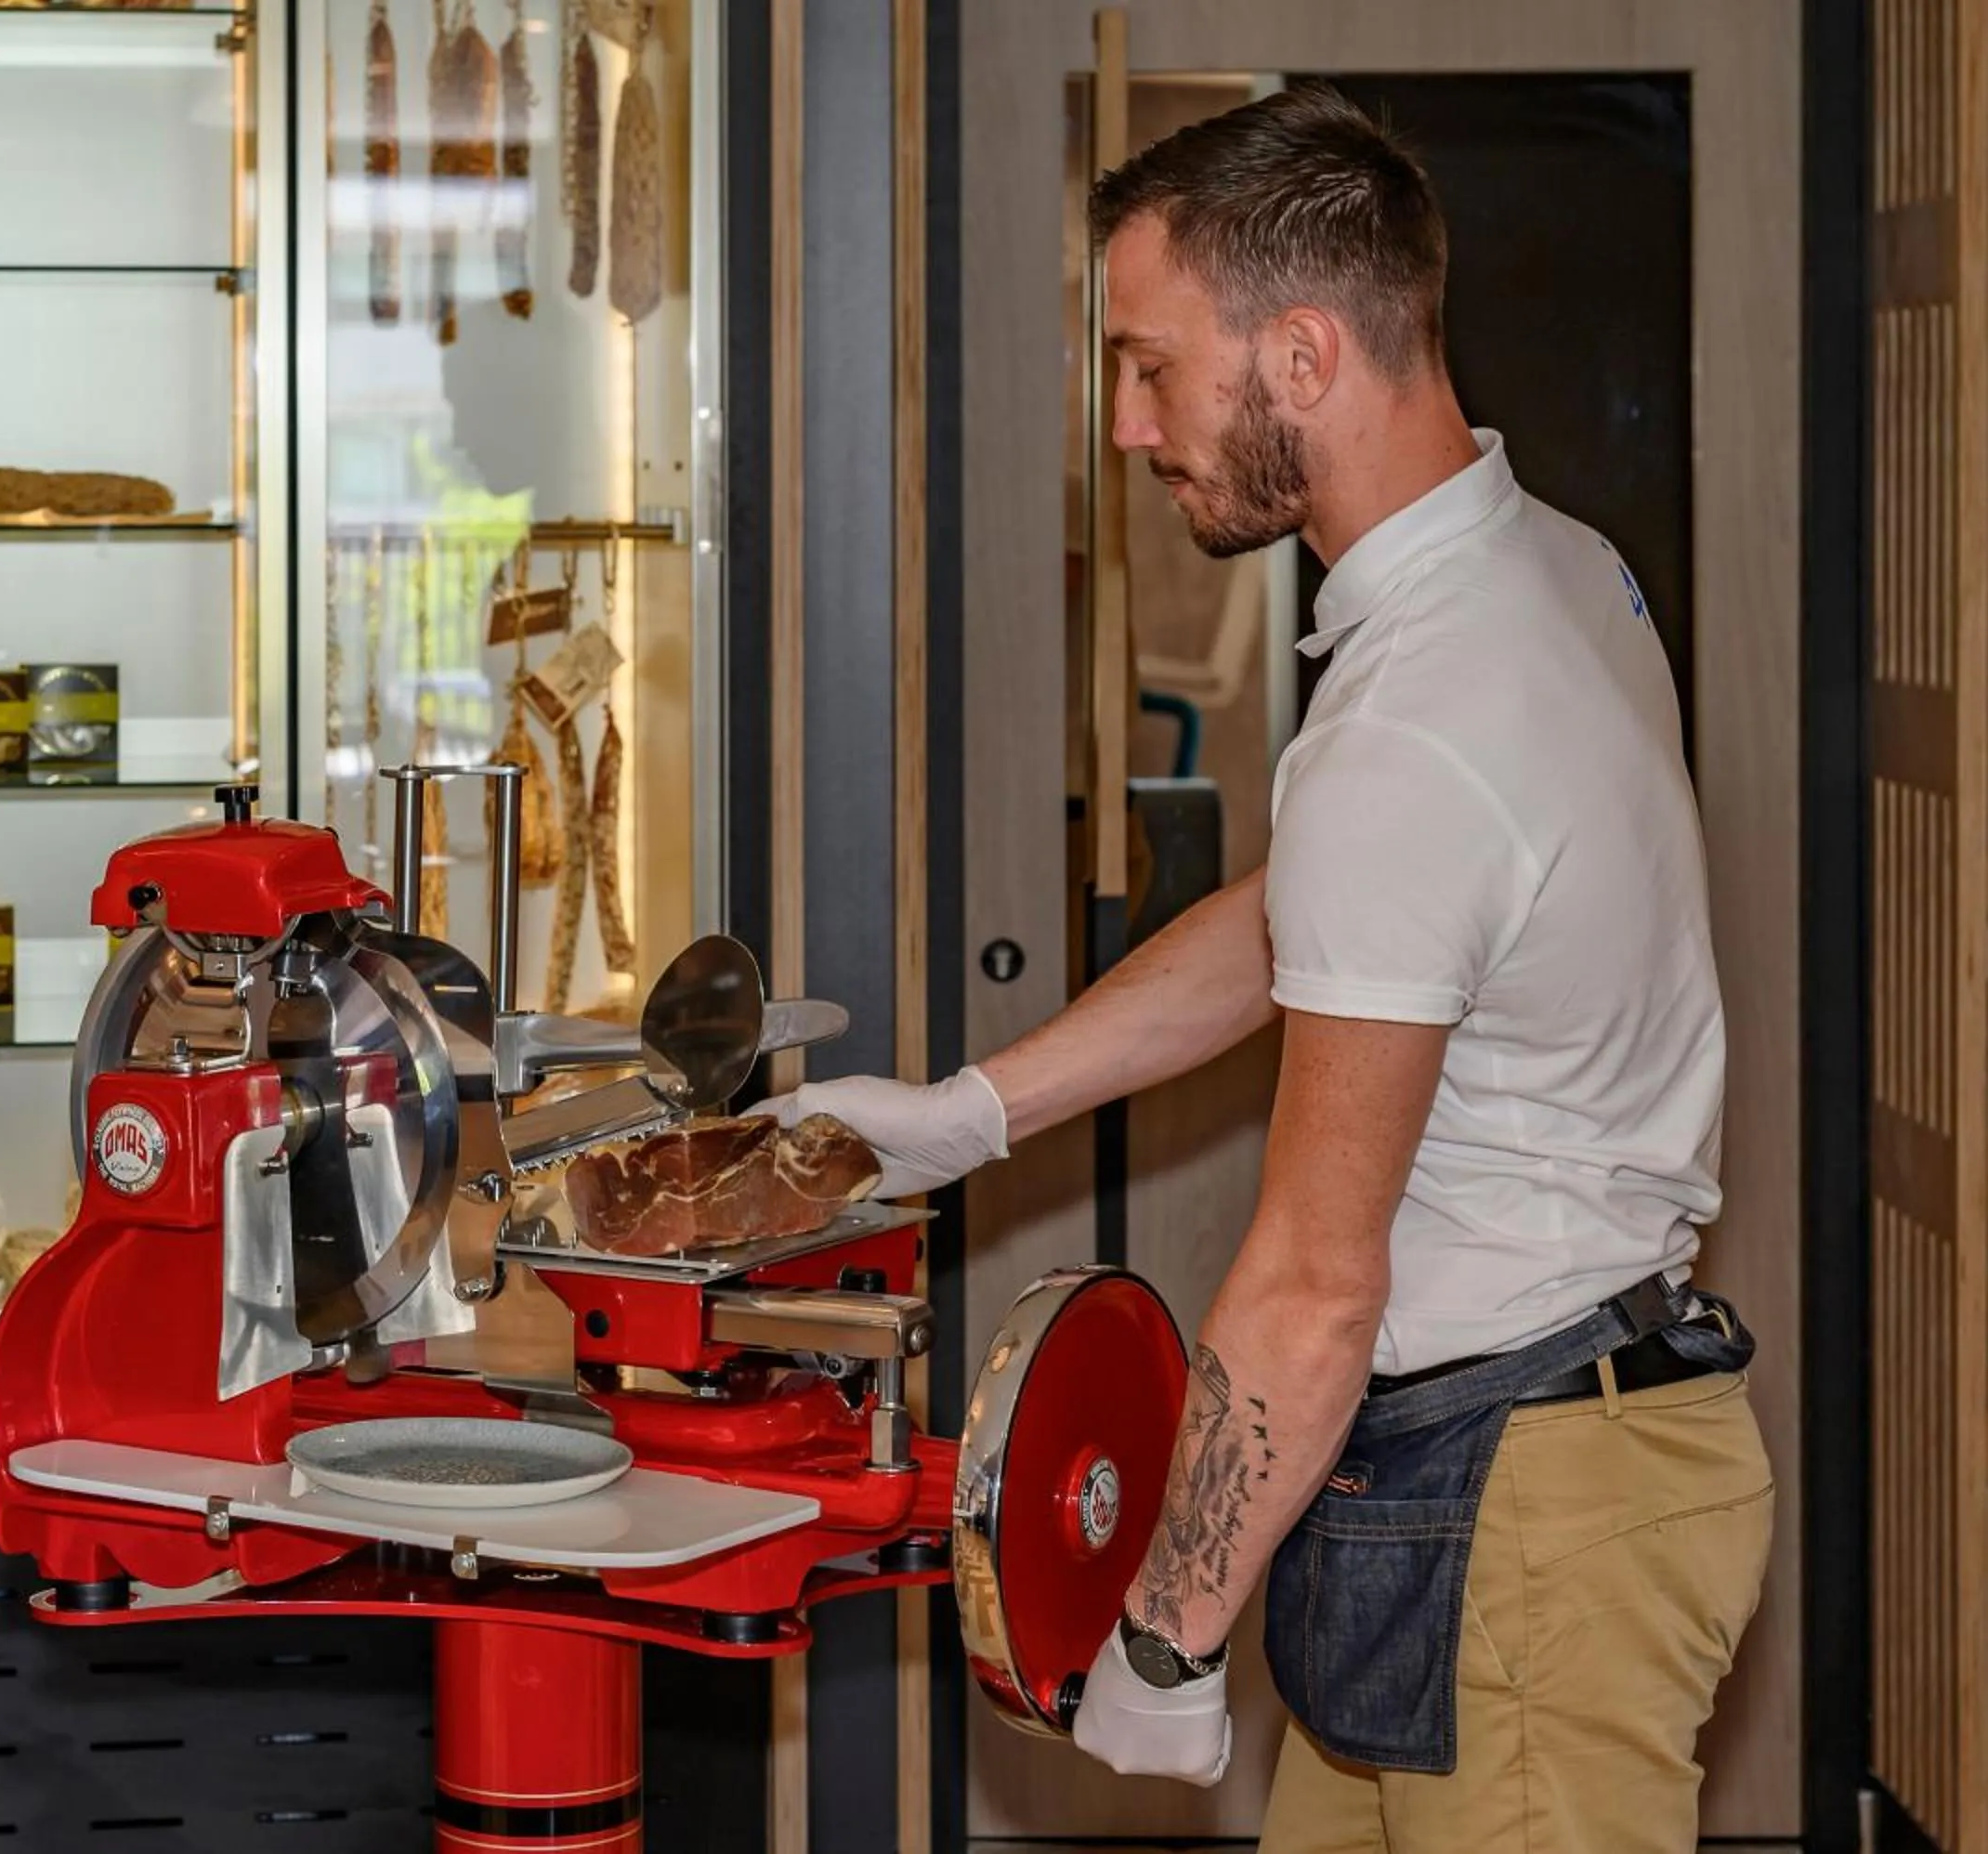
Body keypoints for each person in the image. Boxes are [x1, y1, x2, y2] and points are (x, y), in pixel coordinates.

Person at [757, 86, 1772, 1850]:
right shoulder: (1554, 570)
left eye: (1153, 367)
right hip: (1481, 1475)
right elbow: (1317, 919)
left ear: (1300, 355)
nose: (1135, 427)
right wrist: (974, 1113)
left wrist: (1165, 1630)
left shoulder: (1420, 726)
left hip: (1528, 1522)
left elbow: (1310, 1282)